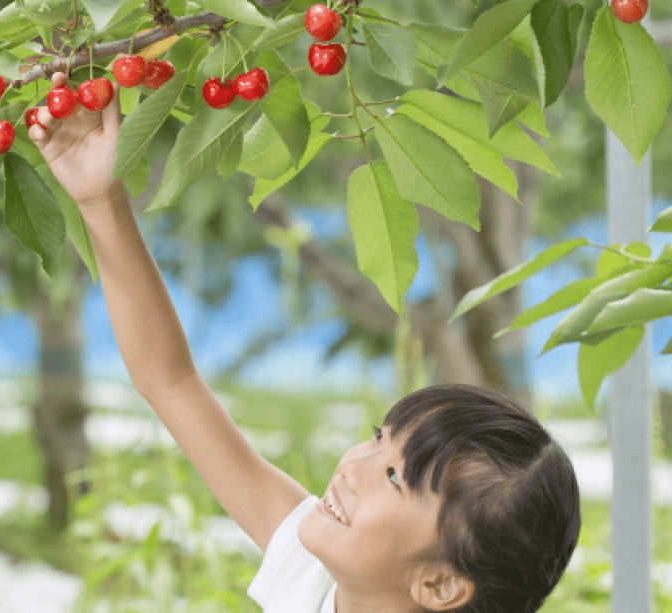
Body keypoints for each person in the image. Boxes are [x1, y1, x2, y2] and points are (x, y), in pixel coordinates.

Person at [29, 72, 581, 613]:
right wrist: (101, 200)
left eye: (394, 477)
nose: (352, 466)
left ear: (438, 586)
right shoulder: (315, 580)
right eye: (376, 438)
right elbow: (170, 382)